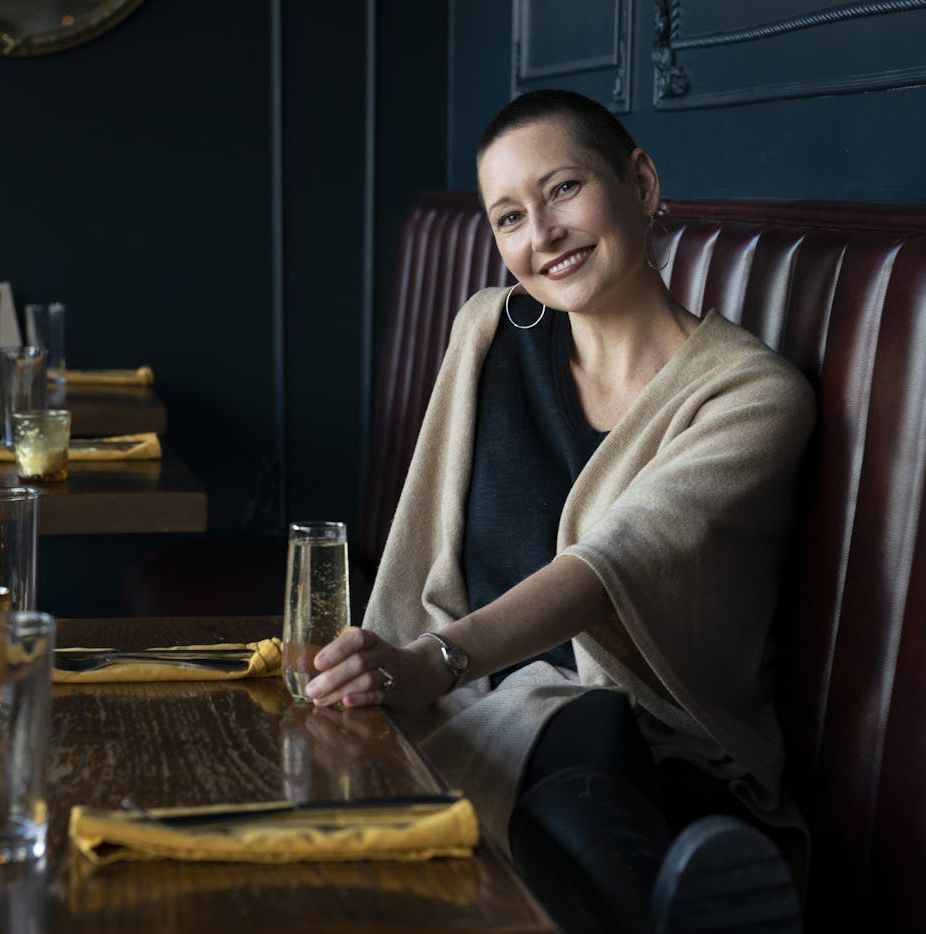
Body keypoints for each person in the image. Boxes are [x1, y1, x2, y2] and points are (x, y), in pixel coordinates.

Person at [303, 89, 813, 934]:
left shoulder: (752, 395)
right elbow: (421, 536)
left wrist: (435, 661)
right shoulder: (488, 334)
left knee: (581, 715)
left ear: (641, 183)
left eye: (564, 190)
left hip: (656, 747)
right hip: (466, 705)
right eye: (508, 218)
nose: (540, 237)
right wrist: (387, 665)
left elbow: (614, 563)